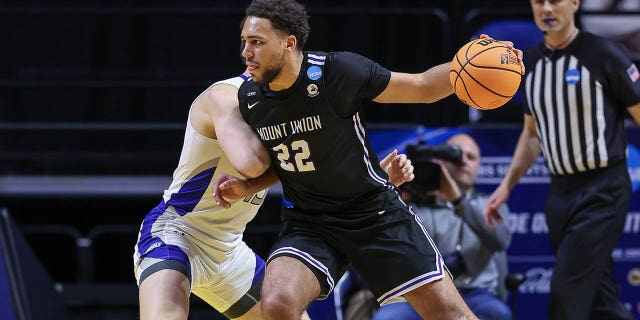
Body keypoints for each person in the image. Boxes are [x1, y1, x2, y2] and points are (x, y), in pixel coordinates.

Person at [213, 1, 525, 319]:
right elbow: (287, 161)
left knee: (450, 314)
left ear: (288, 43)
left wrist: (484, 57)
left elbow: (423, 86)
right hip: (311, 222)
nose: (245, 52)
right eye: (244, 42)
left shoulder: (339, 72)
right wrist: (247, 185)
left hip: (374, 212)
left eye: (257, 42)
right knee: (278, 303)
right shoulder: (251, 99)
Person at [132, 70, 414, 320]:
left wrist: (375, 178)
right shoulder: (225, 97)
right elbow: (251, 163)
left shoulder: (287, 110)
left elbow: (322, 181)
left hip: (228, 251)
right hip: (178, 234)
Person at [485, 0, 640, 319]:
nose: (546, 9)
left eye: (555, 1)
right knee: (599, 293)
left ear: (574, 4)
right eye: (539, 2)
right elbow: (531, 134)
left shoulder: (604, 54)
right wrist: (506, 185)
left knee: (567, 288)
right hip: (560, 192)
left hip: (603, 189)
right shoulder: (529, 63)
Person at [372, 133, 512, 320]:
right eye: (455, 155)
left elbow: (500, 241)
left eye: (471, 157)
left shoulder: (491, 205)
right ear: (441, 162)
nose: (463, 162)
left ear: (479, 165)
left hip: (476, 293)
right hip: (426, 292)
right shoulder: (419, 206)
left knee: (497, 313)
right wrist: (400, 196)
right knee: (387, 318)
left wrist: (458, 201)